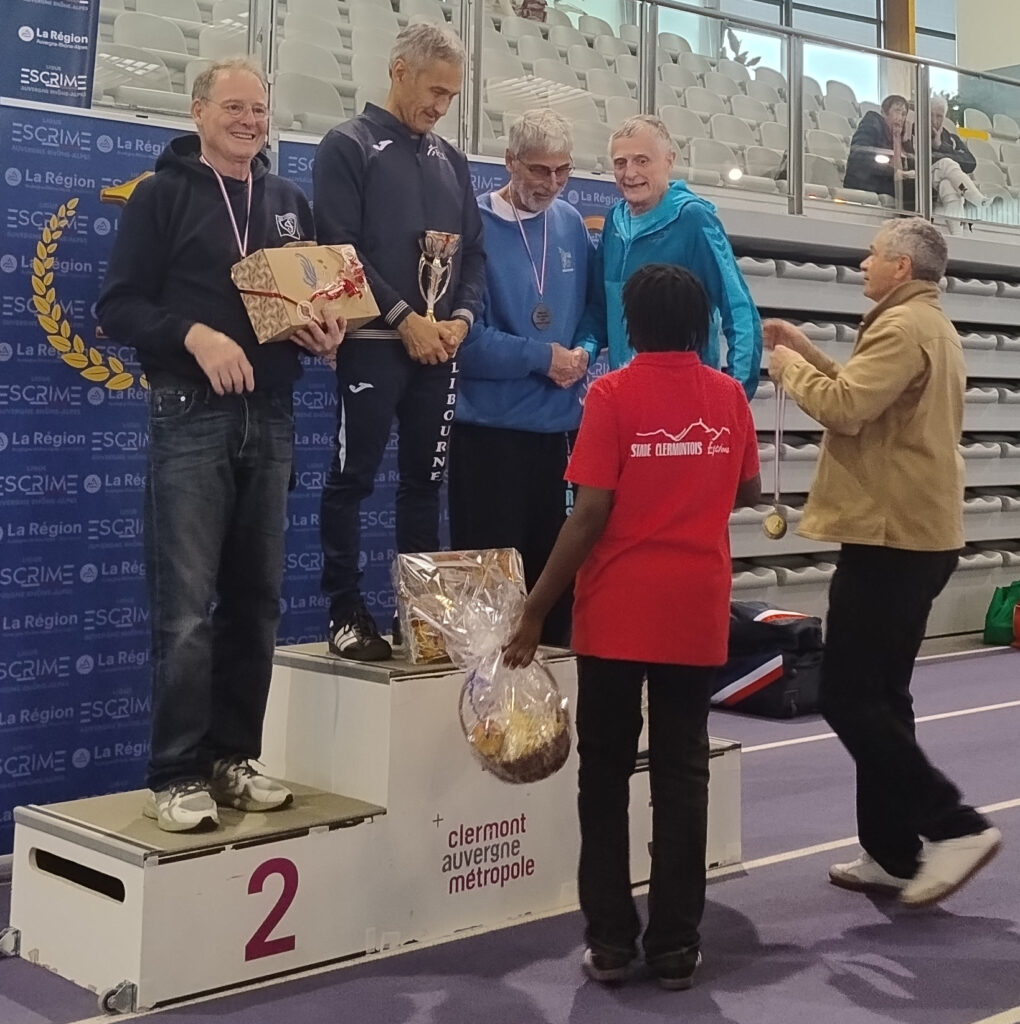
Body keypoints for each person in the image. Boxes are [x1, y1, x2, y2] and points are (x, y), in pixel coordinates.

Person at [96, 58, 344, 832]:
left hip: (270, 416)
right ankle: (174, 773)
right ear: (198, 110)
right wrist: (194, 334)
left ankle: (233, 758)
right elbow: (118, 307)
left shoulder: (289, 201)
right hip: (189, 414)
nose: (250, 120)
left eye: (260, 109)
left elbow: (311, 304)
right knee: (185, 613)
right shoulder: (161, 195)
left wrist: (326, 336)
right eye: (234, 106)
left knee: (256, 603)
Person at [505, 264, 761, 990]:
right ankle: (677, 946)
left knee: (606, 774)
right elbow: (749, 490)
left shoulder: (611, 394)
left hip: (617, 611)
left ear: (632, 325)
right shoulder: (728, 396)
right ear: (697, 324)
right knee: (683, 773)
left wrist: (533, 608)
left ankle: (612, 943)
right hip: (694, 607)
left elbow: (588, 514)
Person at [765, 218, 1002, 908]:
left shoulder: (901, 329)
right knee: (884, 698)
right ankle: (894, 853)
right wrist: (808, 350)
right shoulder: (927, 325)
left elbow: (844, 410)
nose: (864, 263)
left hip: (891, 538)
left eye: (873, 254)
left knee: (847, 696)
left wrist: (787, 367)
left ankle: (952, 825)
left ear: (900, 267)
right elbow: (873, 403)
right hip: (913, 534)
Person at [313, 22, 486, 661]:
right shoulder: (347, 146)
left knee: (424, 484)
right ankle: (345, 609)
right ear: (398, 71)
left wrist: (458, 323)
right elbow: (338, 247)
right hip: (373, 345)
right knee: (351, 479)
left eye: (451, 96)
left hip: (439, 348)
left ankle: (418, 612)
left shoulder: (452, 161)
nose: (441, 106)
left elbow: (473, 257)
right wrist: (403, 317)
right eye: (434, 90)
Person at [450, 109, 592, 647]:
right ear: (509, 162)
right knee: (492, 602)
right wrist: (543, 357)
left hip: (560, 440)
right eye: (538, 170)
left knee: (555, 597)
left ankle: (549, 721)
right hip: (488, 436)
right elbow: (464, 341)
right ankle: (485, 715)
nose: (551, 184)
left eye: (562, 171)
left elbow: (594, 314)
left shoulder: (572, 223)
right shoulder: (474, 226)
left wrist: (583, 350)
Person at [575, 114, 761, 399]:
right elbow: (601, 306)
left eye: (642, 160)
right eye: (620, 163)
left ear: (669, 161)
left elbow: (738, 308)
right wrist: (583, 352)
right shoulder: (614, 219)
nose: (630, 173)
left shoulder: (693, 219)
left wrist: (737, 393)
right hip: (627, 399)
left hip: (685, 403)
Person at [929, 94, 997, 233]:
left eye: (939, 116)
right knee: (947, 162)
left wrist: (941, 146)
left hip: (946, 184)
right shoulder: (915, 130)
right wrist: (939, 148)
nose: (934, 120)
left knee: (948, 185)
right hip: (924, 179)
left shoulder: (951, 138)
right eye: (931, 115)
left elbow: (970, 162)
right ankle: (979, 200)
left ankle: (957, 236)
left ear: (944, 118)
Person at [843, 94, 917, 208]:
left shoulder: (900, 137)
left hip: (888, 181)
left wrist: (904, 141)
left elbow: (911, 168)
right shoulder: (872, 123)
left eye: (903, 114)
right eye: (897, 111)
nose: (900, 118)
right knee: (914, 191)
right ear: (884, 112)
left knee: (928, 191)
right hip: (867, 180)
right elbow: (860, 155)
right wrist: (894, 172)